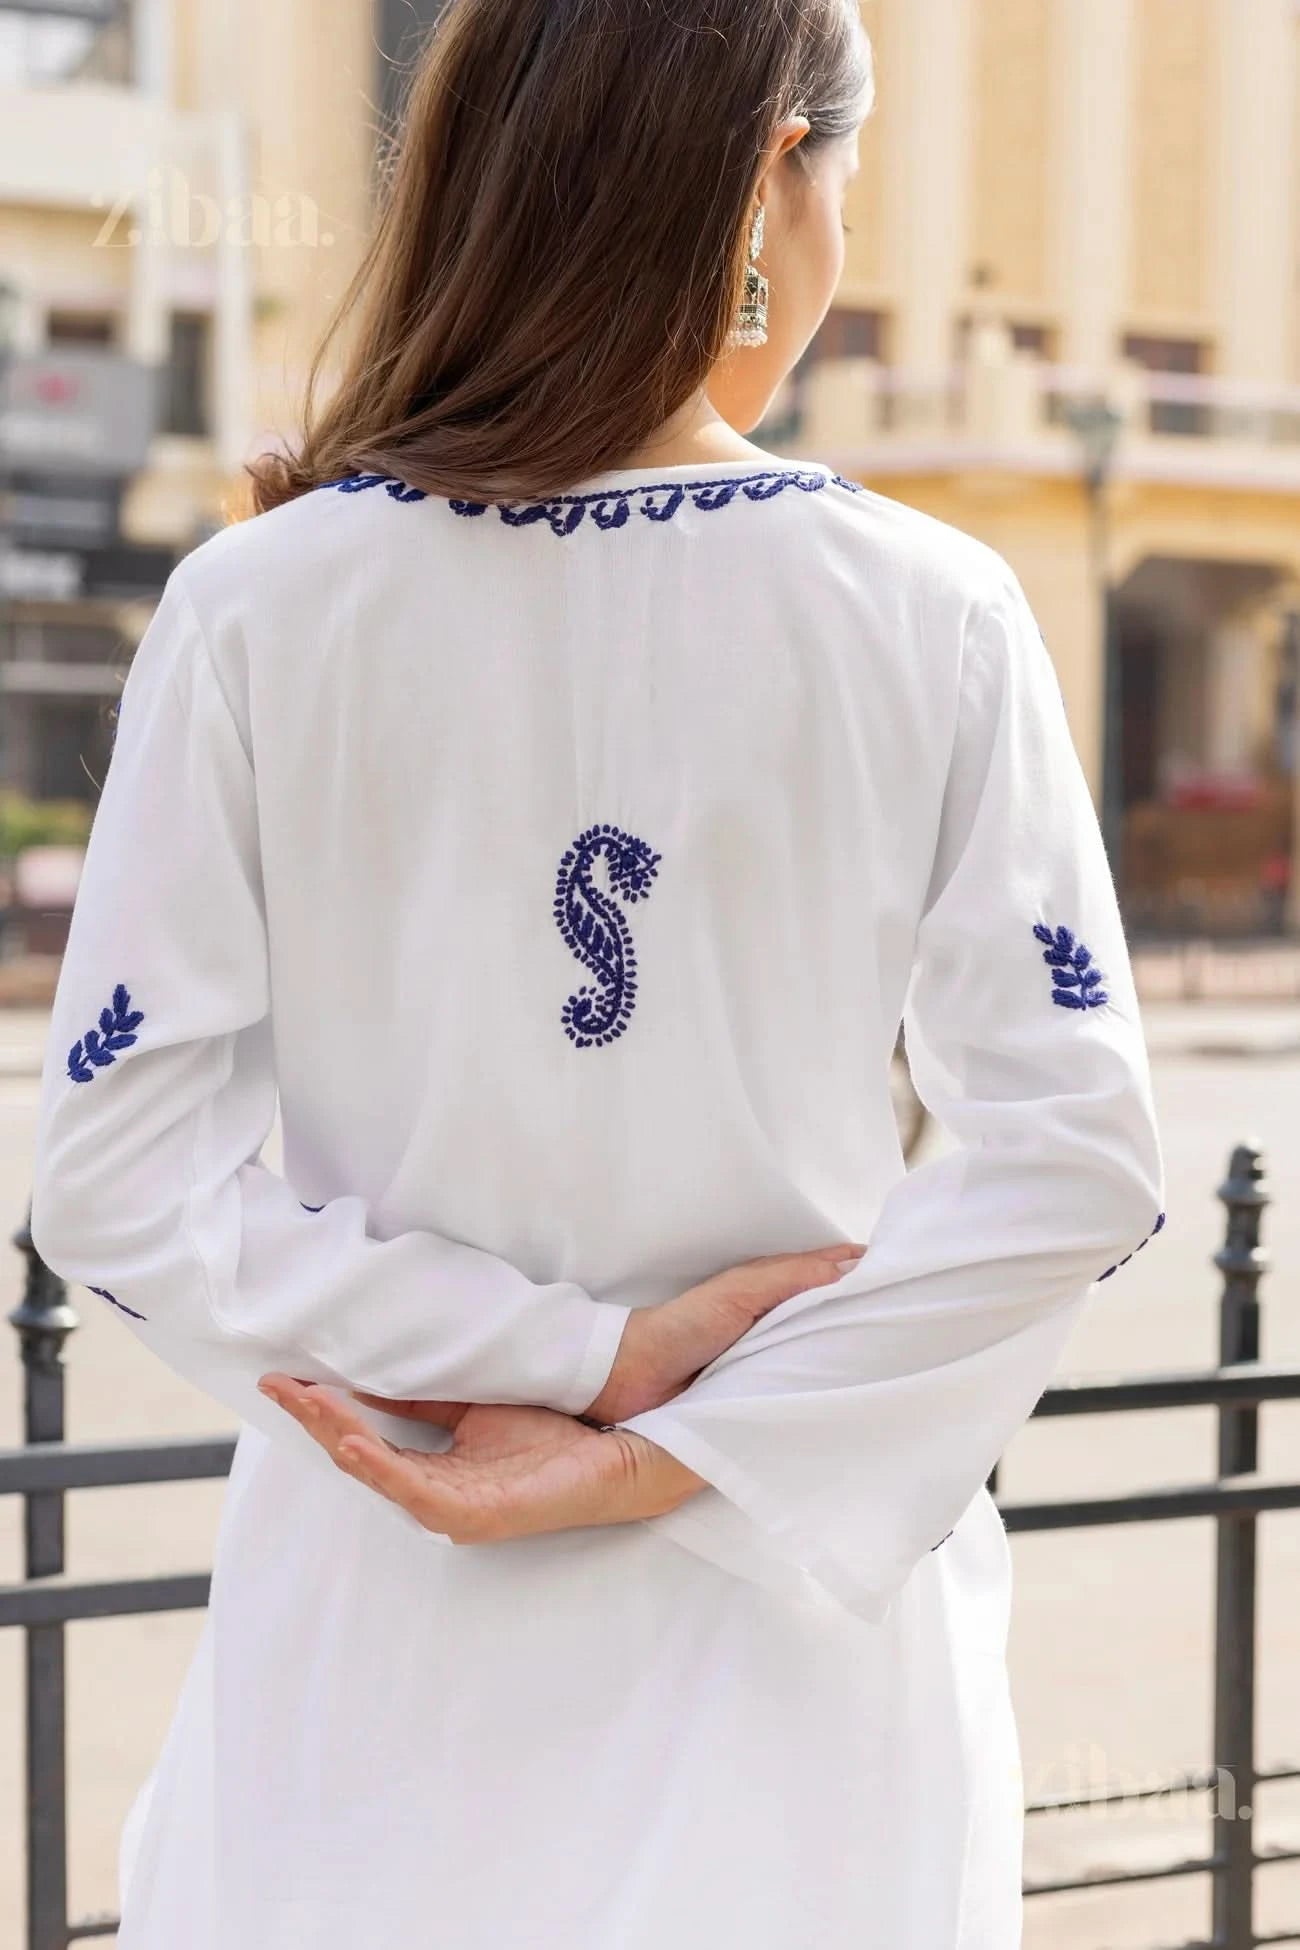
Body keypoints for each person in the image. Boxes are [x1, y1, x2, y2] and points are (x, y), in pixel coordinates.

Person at [28, 2, 1165, 1944]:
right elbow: (1071, 1162)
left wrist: (558, 1365)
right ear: (772, 178)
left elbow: (115, 1185)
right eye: (846, 188)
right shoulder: (930, 616)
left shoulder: (258, 608)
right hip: (787, 1657)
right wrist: (660, 1441)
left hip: (379, 1634)